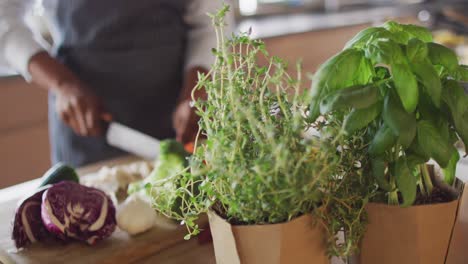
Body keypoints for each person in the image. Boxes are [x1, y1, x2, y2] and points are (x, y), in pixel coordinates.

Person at [0, 0, 233, 166]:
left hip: (175, 119)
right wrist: (63, 84)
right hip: (86, 126)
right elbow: (4, 18)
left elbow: (211, 22)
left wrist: (195, 92)